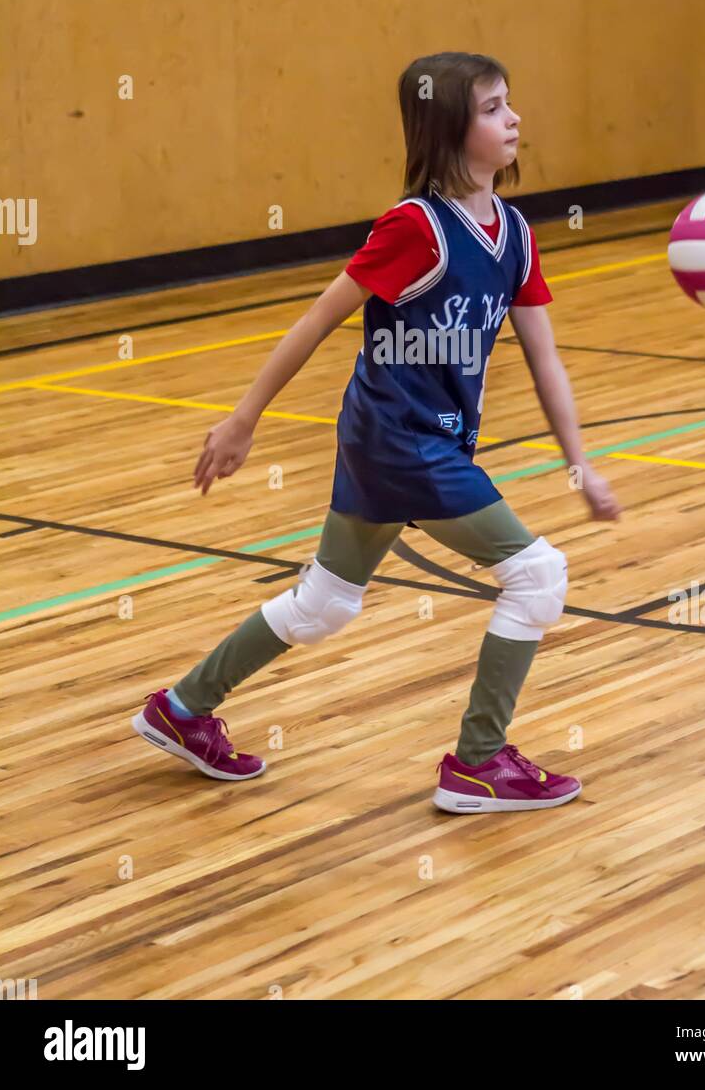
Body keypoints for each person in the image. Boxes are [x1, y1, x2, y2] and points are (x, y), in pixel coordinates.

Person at [132, 51, 621, 813]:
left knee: (324, 603)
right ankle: (478, 765)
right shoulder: (415, 228)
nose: (513, 118)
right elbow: (317, 322)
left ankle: (184, 709)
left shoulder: (516, 234)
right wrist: (242, 419)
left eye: (509, 103)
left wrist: (581, 463)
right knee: (537, 575)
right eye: (493, 108)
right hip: (400, 441)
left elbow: (544, 354)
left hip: (412, 441)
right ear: (449, 129)